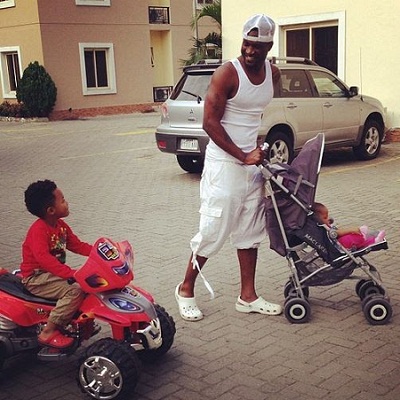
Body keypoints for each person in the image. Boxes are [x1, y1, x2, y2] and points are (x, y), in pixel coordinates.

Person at [175, 14, 283, 321]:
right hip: (224, 164)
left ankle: (247, 297)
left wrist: (256, 149)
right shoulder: (227, 73)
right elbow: (210, 123)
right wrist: (242, 155)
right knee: (213, 230)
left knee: (250, 231)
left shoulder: (273, 74)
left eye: (257, 46)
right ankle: (185, 289)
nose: (249, 50)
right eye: (246, 43)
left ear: (269, 46)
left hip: (251, 165)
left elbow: (252, 116)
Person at [20, 179, 92, 348]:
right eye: (63, 200)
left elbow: (77, 245)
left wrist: (101, 251)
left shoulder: (60, 226)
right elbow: (43, 258)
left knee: (89, 282)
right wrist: (70, 273)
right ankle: (49, 330)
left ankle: (76, 322)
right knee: (75, 290)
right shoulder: (38, 229)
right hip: (36, 277)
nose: (67, 203)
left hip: (50, 274)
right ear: (51, 210)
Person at [313, 202, 385, 250]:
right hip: (338, 247)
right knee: (349, 238)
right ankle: (370, 239)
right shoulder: (325, 230)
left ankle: (367, 237)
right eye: (325, 218)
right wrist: (350, 230)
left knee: (351, 237)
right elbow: (337, 233)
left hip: (338, 243)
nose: (328, 219)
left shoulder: (322, 227)